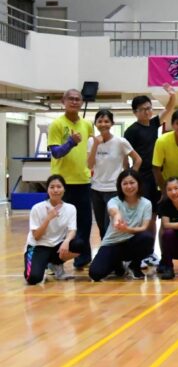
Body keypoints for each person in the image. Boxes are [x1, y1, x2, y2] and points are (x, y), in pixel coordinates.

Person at [48, 88, 95, 269]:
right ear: (63, 101)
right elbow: (56, 153)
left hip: (83, 181)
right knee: (59, 224)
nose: (74, 102)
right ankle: (54, 260)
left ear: (82, 102)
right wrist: (71, 142)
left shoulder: (87, 125)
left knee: (85, 223)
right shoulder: (57, 124)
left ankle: (83, 258)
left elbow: (92, 149)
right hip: (62, 184)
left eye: (78, 99)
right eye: (71, 99)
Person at [123, 83, 177, 228]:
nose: (147, 112)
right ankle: (140, 239)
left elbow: (168, 109)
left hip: (156, 174)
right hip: (141, 176)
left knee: (154, 212)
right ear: (135, 112)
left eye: (149, 108)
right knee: (142, 212)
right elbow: (125, 155)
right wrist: (128, 175)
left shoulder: (153, 124)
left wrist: (172, 95)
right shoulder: (131, 131)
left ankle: (150, 242)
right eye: (143, 109)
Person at [89, 170, 154, 281]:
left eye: (132, 183)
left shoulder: (146, 203)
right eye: (125, 183)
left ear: (138, 183)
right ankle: (117, 264)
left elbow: (144, 227)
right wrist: (117, 216)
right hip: (113, 243)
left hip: (132, 243)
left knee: (147, 238)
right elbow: (113, 211)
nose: (129, 186)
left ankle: (134, 265)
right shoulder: (114, 201)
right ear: (120, 186)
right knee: (95, 273)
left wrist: (127, 229)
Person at [87, 109, 142, 239]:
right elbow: (89, 165)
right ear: (95, 123)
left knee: (111, 226)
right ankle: (105, 250)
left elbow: (138, 160)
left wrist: (129, 178)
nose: (103, 124)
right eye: (100, 121)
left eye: (107, 121)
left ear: (112, 123)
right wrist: (95, 145)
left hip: (114, 190)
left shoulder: (120, 141)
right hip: (96, 189)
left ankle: (113, 250)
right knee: (101, 227)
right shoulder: (91, 142)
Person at [23, 175, 89, 284]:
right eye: (52, 187)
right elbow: (36, 236)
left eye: (59, 187)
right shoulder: (37, 208)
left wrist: (66, 241)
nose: (55, 190)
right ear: (47, 190)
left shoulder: (70, 208)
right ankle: (42, 263)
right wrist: (48, 218)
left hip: (56, 246)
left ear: (64, 189)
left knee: (79, 245)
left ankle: (56, 264)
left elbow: (72, 230)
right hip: (38, 246)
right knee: (33, 279)